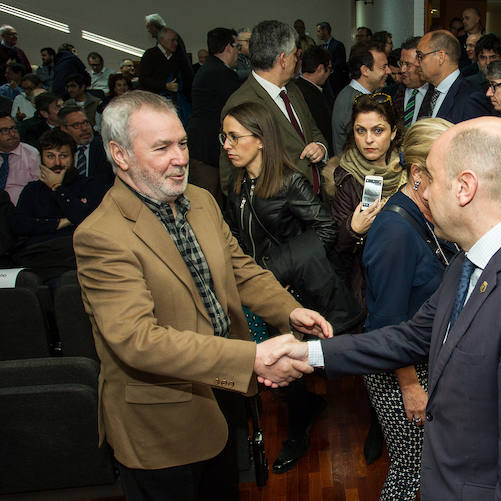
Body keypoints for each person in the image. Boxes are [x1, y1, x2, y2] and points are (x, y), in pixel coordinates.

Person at [272, 116, 501, 499]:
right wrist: (308, 353)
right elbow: (408, 336)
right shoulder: (470, 258)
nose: (424, 193)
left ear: (464, 188)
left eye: (433, 181)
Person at [73, 90, 332, 500]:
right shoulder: (100, 236)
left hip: (222, 391)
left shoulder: (200, 201)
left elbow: (239, 268)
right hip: (161, 424)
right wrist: (252, 358)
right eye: (162, 148)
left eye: (183, 143)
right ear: (120, 156)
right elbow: (137, 341)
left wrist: (290, 310)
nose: (180, 158)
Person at [221, 101, 354, 473]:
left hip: (290, 290)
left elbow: (326, 230)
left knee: (284, 365)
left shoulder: (288, 181)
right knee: (269, 366)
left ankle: (300, 428)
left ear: (260, 139)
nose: (227, 145)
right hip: (256, 290)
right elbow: (236, 233)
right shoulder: (236, 182)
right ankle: (305, 408)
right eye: (224, 137)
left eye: (235, 136)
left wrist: (274, 267)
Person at [360, 117, 458, 499]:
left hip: (425, 360)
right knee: (410, 468)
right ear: (418, 173)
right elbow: (387, 324)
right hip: (399, 371)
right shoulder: (394, 230)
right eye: (446, 171)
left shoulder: (427, 214)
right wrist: (410, 386)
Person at [220, 20, 328, 198]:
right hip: (280, 215)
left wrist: (320, 147)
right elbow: (230, 177)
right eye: (295, 54)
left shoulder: (293, 89)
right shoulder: (241, 103)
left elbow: (312, 130)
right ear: (283, 59)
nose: (297, 60)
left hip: (314, 202)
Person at [327, 94, 404, 301]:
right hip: (367, 283)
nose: (368, 140)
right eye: (361, 131)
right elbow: (334, 244)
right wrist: (354, 229)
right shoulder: (346, 177)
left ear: (394, 131)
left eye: (378, 130)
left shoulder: (410, 169)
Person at [12, 128, 103, 284]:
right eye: (50, 156)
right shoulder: (31, 190)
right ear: (41, 158)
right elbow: (20, 225)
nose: (57, 163)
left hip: (78, 254)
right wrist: (62, 222)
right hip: (40, 257)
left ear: (73, 157)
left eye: (63, 156)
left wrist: (57, 188)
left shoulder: (89, 186)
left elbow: (89, 221)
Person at [187, 28, 241, 168]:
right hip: (209, 149)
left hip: (200, 145)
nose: (239, 52)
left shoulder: (209, 68)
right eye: (237, 47)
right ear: (229, 47)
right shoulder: (222, 73)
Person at [414, 30, 490, 124]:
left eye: (420, 56)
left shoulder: (471, 97)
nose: (417, 63)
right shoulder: (431, 92)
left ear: (441, 57)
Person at [331, 41, 390, 154]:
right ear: (365, 70)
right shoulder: (353, 101)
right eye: (383, 67)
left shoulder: (357, 95)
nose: (389, 71)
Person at [0, 111, 39, 204]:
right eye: (4, 130)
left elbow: (39, 189)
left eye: (14, 128)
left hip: (19, 210)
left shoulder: (31, 154)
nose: (12, 134)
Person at [58, 106, 114, 192]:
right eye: (76, 125)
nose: (84, 128)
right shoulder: (58, 152)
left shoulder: (106, 148)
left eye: (85, 122)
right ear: (64, 129)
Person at [294, 46, 335, 146]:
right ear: (320, 69)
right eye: (329, 69)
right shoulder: (313, 97)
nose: (330, 73)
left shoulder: (294, 88)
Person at [317, 21, 348, 93]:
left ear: (325, 31)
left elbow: (340, 62)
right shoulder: (321, 47)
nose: (317, 34)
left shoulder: (338, 45)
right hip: (325, 81)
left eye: (319, 31)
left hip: (336, 81)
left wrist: (328, 71)